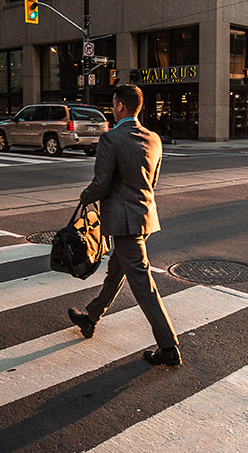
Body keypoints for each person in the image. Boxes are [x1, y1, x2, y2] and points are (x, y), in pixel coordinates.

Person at [68, 84, 181, 367]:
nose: (113, 107)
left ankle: (168, 347)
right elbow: (151, 182)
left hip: (123, 221)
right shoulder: (154, 138)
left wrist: (85, 196)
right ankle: (91, 318)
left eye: (114, 103)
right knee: (116, 271)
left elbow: (101, 184)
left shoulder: (111, 139)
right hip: (144, 216)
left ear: (120, 106)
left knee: (143, 284)